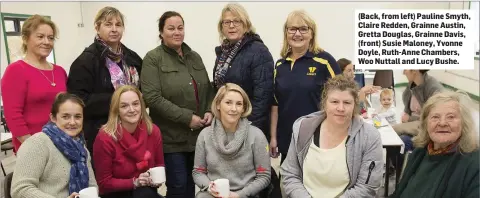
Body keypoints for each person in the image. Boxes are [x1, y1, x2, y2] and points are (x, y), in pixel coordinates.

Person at [141, 11, 215, 198]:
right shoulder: (153, 59)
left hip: (198, 137)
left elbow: (208, 88)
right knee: (179, 187)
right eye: (171, 28)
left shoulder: (194, 57)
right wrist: (186, 117)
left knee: (196, 185)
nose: (177, 32)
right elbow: (152, 97)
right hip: (171, 140)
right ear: (161, 32)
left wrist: (209, 110)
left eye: (180, 28)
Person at [281, 75, 383, 198]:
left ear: (355, 105)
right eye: (334, 102)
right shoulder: (303, 128)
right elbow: (290, 173)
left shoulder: (369, 137)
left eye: (347, 102)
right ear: (325, 103)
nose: (340, 108)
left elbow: (367, 187)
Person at [67, 6, 143, 155]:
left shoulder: (132, 58)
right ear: (97, 27)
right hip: (102, 134)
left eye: (118, 25)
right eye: (108, 24)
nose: (114, 29)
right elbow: (78, 101)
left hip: (133, 131)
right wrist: (118, 100)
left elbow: (142, 90)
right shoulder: (85, 61)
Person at [270, 10, 342, 164]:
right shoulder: (280, 65)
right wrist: (273, 137)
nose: (297, 34)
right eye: (292, 29)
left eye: (303, 29)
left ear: (312, 33)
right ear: (286, 33)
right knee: (288, 184)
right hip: (287, 138)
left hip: (317, 138)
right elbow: (275, 104)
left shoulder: (324, 61)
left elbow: (343, 96)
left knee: (314, 184)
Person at [389, 91, 479, 197]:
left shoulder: (474, 164)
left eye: (451, 117)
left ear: (464, 123)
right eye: (435, 117)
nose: (442, 123)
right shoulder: (419, 153)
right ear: (426, 123)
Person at [11, 93, 97, 198]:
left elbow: (92, 186)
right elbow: (20, 189)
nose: (72, 122)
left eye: (78, 117)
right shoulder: (38, 143)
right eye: (66, 117)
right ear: (53, 118)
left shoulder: (81, 148)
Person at [1, 15, 67, 152]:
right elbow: (13, 116)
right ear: (25, 39)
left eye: (50, 38)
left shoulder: (60, 71)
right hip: (33, 147)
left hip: (63, 143)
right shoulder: (16, 71)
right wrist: (34, 148)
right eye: (40, 36)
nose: (46, 41)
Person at [193, 83, 271, 198]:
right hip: (212, 194)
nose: (233, 109)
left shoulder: (256, 135)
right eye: (228, 102)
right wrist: (210, 187)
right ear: (218, 104)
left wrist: (239, 195)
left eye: (239, 104)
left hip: (245, 195)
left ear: (244, 108)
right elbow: (198, 172)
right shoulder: (205, 135)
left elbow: (264, 176)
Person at [213, 3, 274, 138]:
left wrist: (247, 129)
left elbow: (263, 98)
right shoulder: (223, 54)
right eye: (227, 22)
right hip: (226, 127)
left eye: (236, 21)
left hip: (250, 129)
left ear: (246, 24)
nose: (231, 25)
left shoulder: (259, 51)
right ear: (221, 27)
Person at [93, 85, 164, 198]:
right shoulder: (105, 137)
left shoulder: (153, 130)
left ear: (142, 105)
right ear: (116, 110)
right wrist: (135, 182)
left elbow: (159, 165)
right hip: (115, 195)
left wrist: (153, 179)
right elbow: (104, 184)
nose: (132, 110)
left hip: (145, 192)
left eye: (135, 104)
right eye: (124, 106)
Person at [393, 69, 443, 153]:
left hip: (425, 131)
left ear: (415, 70)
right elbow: (406, 114)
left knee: (398, 137)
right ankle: (393, 165)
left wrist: (410, 119)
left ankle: (401, 165)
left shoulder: (434, 89)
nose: (403, 72)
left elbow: (433, 121)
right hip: (415, 127)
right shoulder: (411, 86)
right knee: (393, 136)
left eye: (406, 69)